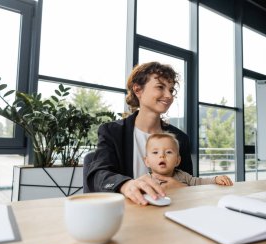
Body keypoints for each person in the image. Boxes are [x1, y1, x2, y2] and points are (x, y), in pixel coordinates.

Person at [86, 61, 193, 205]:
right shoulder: (112, 132)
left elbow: (189, 182)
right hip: (127, 214)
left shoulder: (180, 138)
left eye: (171, 90)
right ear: (138, 90)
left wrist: (183, 188)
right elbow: (98, 175)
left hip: (169, 211)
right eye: (160, 87)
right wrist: (125, 185)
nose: (168, 95)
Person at [145, 132, 233, 186]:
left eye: (168, 152)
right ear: (147, 161)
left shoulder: (183, 176)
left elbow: (200, 182)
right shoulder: (145, 180)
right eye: (155, 152)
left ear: (177, 161)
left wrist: (215, 179)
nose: (162, 156)